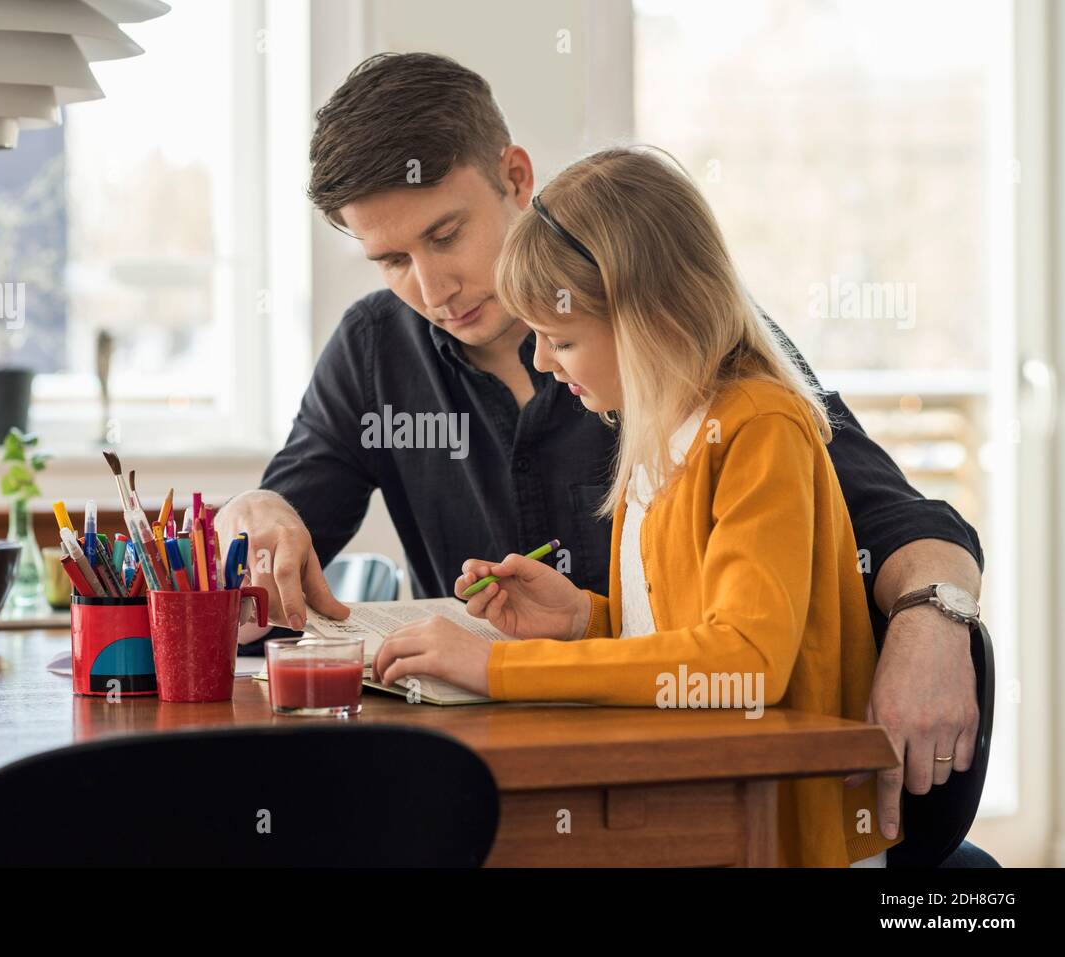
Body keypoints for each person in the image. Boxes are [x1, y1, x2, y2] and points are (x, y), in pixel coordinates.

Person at [215, 52, 993, 864]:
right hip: (503, 790)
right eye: (391, 261)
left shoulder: (705, 367)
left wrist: (934, 617)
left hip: (709, 798)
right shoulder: (379, 351)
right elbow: (288, 512)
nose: (433, 286)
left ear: (515, 176)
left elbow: (878, 526)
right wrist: (258, 511)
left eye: (446, 234)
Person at [372, 145, 894, 866]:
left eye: (561, 339)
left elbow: (743, 661)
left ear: (655, 319)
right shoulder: (657, 430)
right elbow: (688, 629)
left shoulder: (756, 427)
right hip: (700, 795)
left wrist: (494, 670)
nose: (543, 364)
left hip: (781, 832)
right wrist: (585, 618)